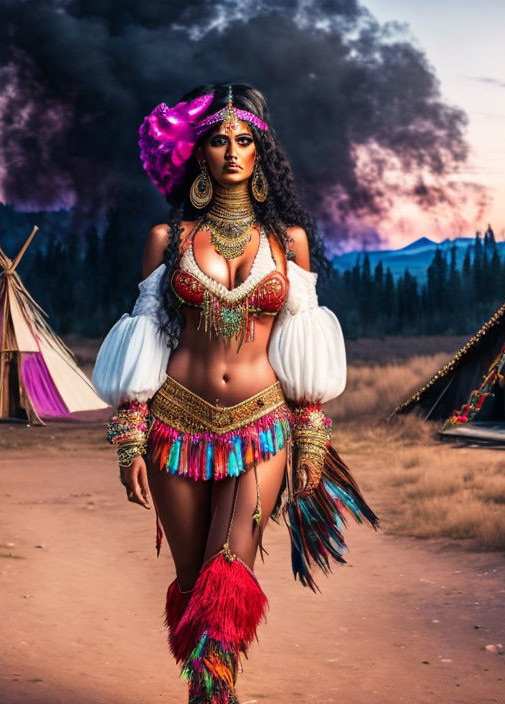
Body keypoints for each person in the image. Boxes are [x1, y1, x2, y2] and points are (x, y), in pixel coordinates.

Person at [93, 83, 377, 704]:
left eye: (243, 140)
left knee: (228, 578)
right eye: (218, 140)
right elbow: (149, 337)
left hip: (262, 426)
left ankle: (216, 700)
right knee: (194, 581)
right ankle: (205, 694)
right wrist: (128, 442)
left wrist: (310, 440)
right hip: (175, 427)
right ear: (200, 153)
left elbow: (301, 344)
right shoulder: (167, 242)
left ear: (260, 152)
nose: (230, 152)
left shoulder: (290, 242)